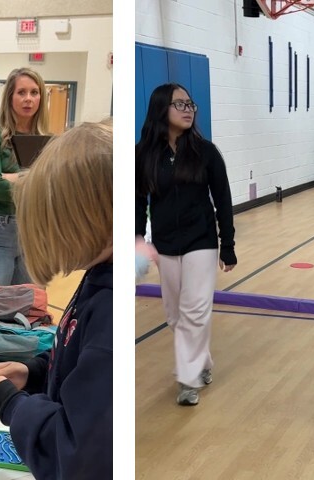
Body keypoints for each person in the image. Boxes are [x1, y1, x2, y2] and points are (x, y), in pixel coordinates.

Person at [0, 121, 113, 480]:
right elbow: (80, 362)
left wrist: (7, 404)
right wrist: (34, 372)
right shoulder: (97, 282)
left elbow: (74, 450)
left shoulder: (108, 308)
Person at [135, 83, 236, 406]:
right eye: (180, 104)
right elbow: (138, 200)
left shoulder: (206, 153)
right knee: (175, 316)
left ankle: (187, 379)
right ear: (161, 109)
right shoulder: (144, 154)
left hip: (201, 241)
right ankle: (201, 360)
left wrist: (227, 244)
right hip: (165, 243)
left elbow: (223, 200)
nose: (188, 109)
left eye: (190, 104)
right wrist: (137, 238)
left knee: (194, 310)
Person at [0, 67, 47, 289]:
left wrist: (13, 177)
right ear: (10, 97)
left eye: (34, 92)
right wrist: (34, 179)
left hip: (34, 235)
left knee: (29, 313)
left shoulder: (47, 140)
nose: (28, 99)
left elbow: (55, 187)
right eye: (21, 92)